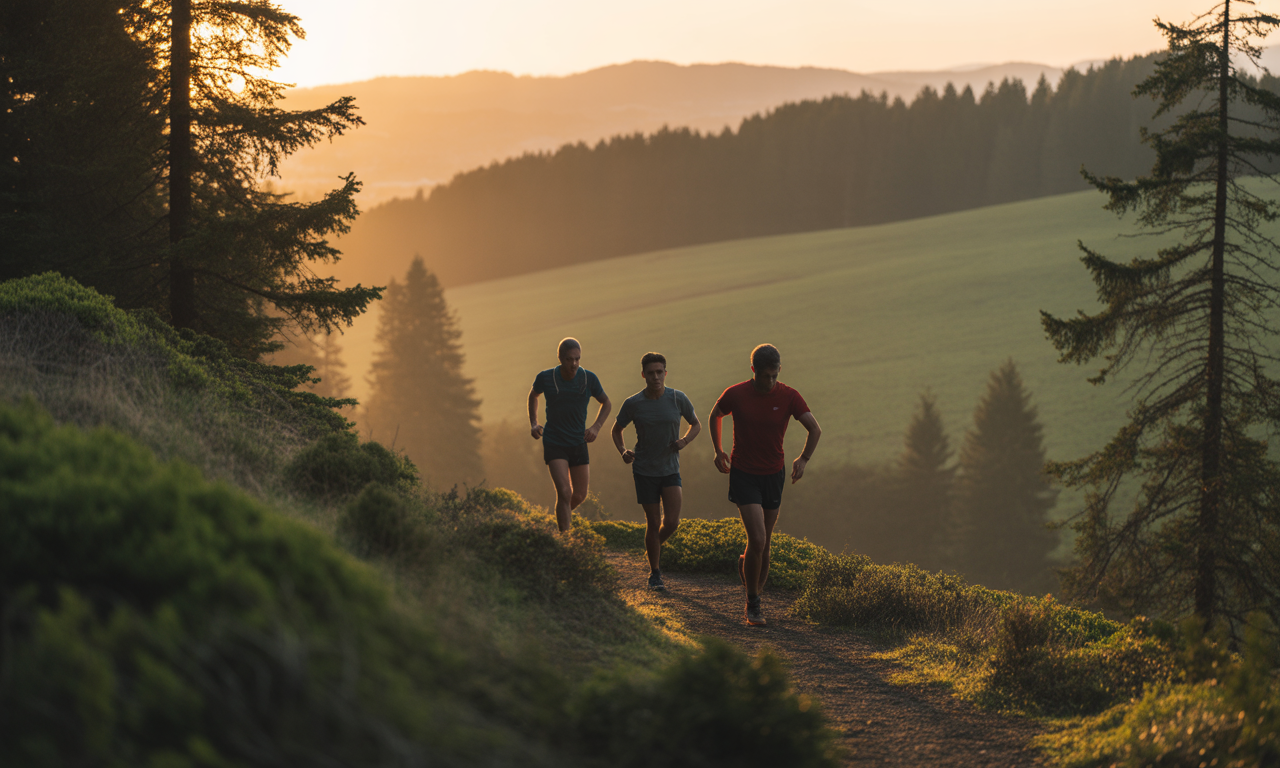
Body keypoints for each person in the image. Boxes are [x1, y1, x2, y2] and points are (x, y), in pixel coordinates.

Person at [709, 343, 821, 626]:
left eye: (774, 375)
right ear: (753, 371)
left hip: (773, 474)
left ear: (779, 370)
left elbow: (814, 428)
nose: (770, 381)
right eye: (765, 376)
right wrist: (718, 450)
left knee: (764, 543)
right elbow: (715, 415)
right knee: (757, 539)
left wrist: (804, 458)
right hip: (744, 473)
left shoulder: (789, 396)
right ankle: (753, 603)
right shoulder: (736, 394)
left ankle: (751, 576)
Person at [611, 352, 701, 590]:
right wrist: (622, 450)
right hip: (644, 470)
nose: (655, 377)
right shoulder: (633, 403)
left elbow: (696, 424)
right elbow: (616, 430)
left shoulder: (677, 398)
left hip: (670, 469)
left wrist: (684, 441)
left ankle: (653, 548)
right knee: (653, 522)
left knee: (671, 522)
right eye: (650, 373)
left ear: (665, 373)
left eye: (659, 372)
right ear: (643, 375)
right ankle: (655, 573)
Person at [528, 337, 612, 532]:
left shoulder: (588, 378)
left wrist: (596, 427)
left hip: (578, 442)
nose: (574, 364)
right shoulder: (546, 378)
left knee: (580, 495)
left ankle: (557, 518)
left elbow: (606, 403)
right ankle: (566, 541)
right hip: (554, 442)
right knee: (565, 492)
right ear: (560, 358)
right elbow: (533, 395)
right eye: (569, 359)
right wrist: (533, 423)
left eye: (577, 359)